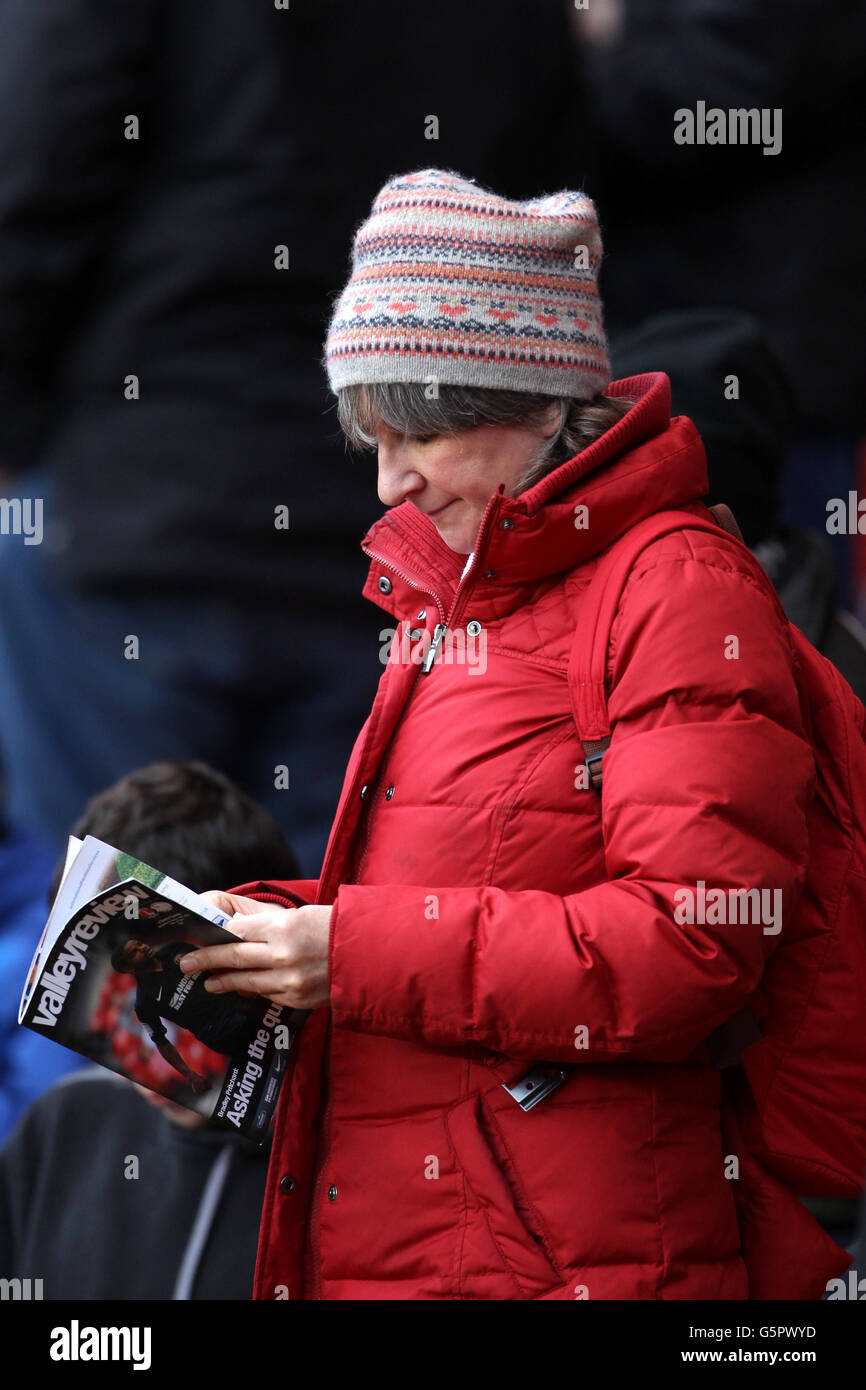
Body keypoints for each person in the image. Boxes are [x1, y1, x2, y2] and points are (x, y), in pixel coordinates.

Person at [178, 169, 851, 1300]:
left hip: (564, 1253)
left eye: (415, 437)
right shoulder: (455, 595)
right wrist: (273, 935)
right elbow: (477, 877)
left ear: (534, 404)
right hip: (423, 1238)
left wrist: (350, 953)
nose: (389, 481)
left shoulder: (674, 585)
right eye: (371, 438)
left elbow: (692, 943)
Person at [110, 937, 264, 1091]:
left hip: (241, 1004)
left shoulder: (175, 948)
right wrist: (189, 1074)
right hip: (221, 1033)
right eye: (134, 952)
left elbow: (213, 958)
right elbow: (161, 1042)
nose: (142, 947)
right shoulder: (145, 1002)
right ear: (129, 968)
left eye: (139, 943)